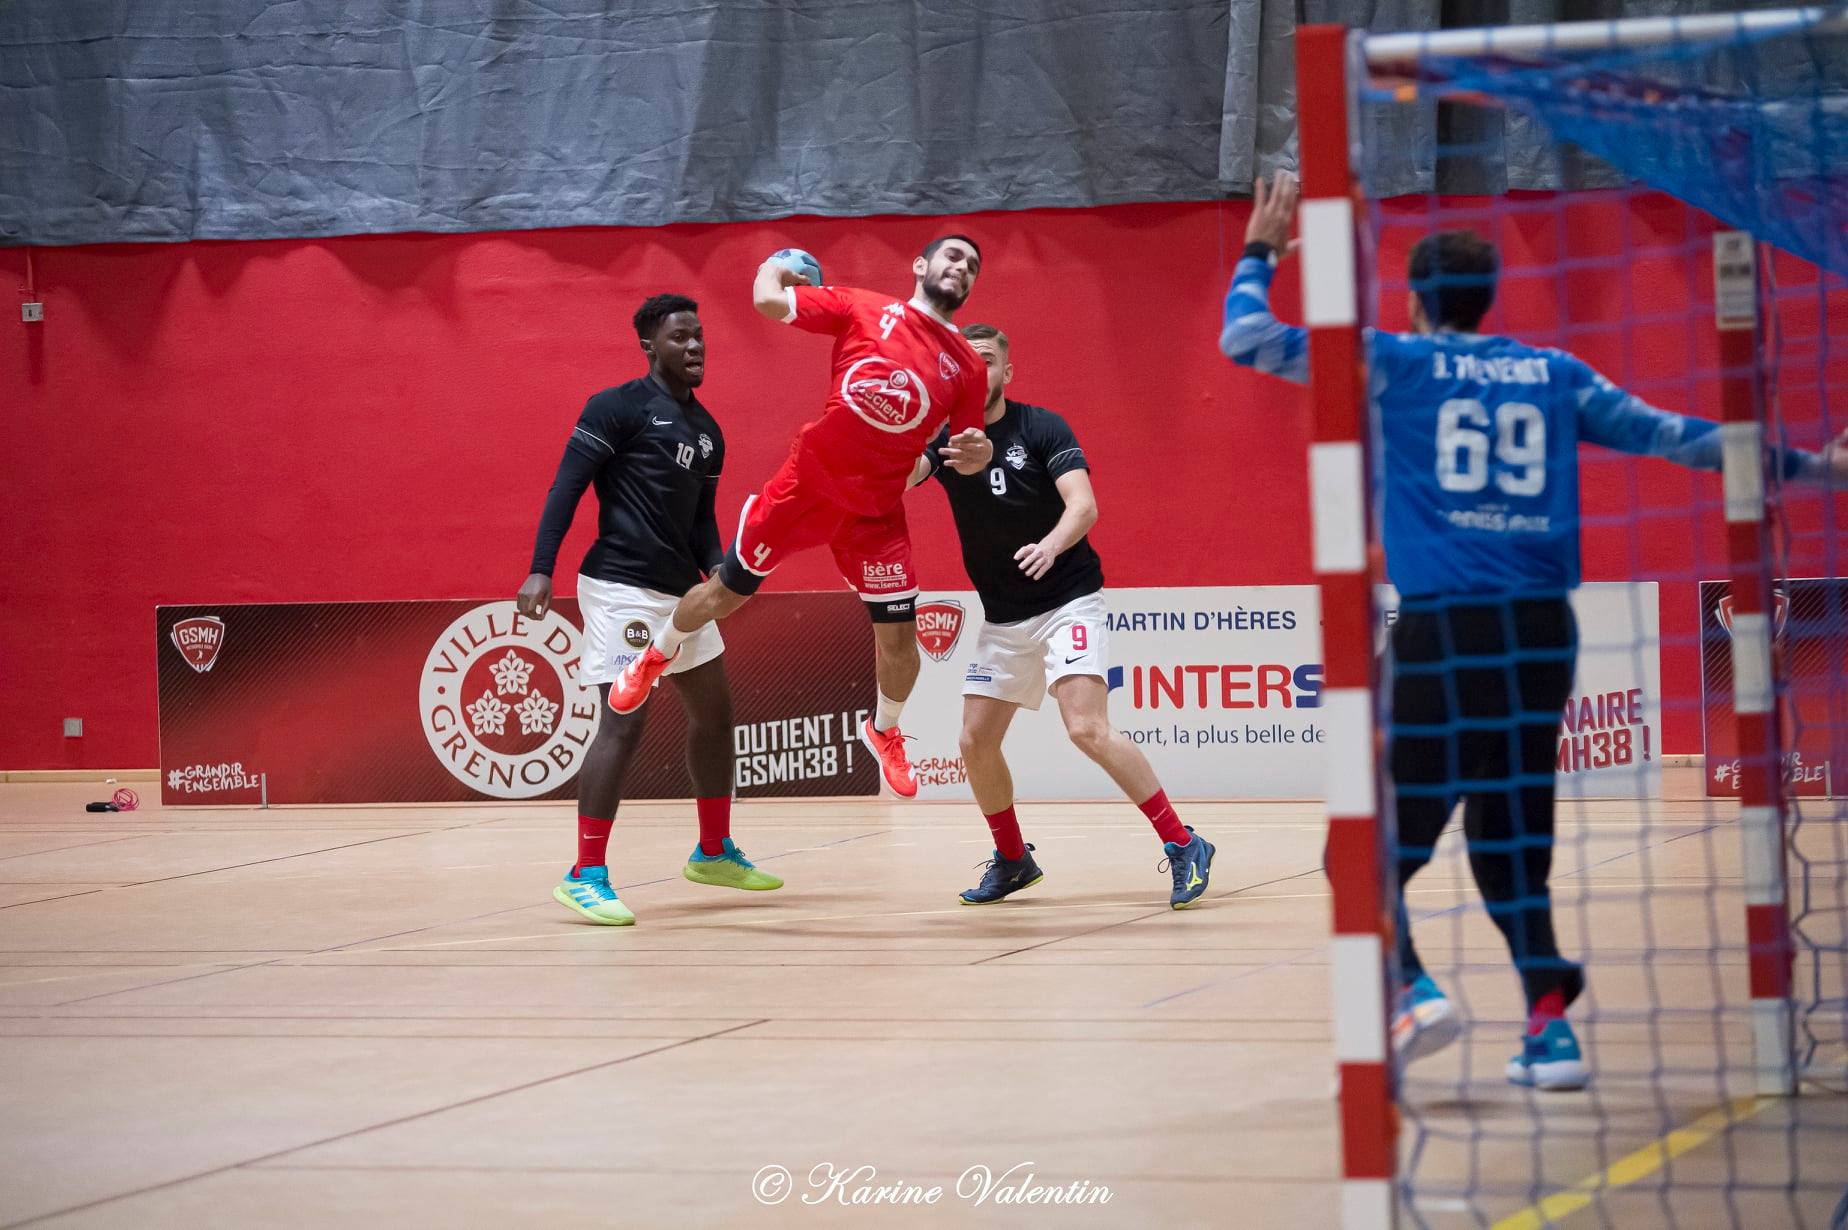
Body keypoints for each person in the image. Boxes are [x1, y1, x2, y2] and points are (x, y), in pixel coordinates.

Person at [1220, 172, 1848, 1090]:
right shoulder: (1557, 374)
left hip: (1443, 635)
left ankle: (1410, 990)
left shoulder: (1395, 361)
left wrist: (1260, 252)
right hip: (1543, 638)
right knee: (1509, 842)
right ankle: (1550, 1030)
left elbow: (1245, 338)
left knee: (1356, 850)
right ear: (1487, 299)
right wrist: (1813, 466)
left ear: (1418, 300)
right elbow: (1674, 435)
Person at [609, 238, 994, 799]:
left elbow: (968, 451)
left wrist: (978, 454)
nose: (962, 268)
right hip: (805, 488)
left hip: (876, 513)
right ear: (921, 265)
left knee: (900, 641)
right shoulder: (863, 307)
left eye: (972, 266)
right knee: (723, 596)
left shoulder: (967, 366)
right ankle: (655, 655)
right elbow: (768, 301)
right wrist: (774, 266)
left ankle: (884, 730)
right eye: (953, 256)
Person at [911, 324, 1216, 909]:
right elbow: (904, 475)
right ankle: (1013, 860)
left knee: (1085, 728)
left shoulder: (1041, 427)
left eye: (987, 360)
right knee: (974, 741)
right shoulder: (945, 441)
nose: (978, 369)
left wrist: (1051, 546)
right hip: (1004, 618)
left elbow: (1083, 506)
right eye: (966, 361)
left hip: (1067, 600)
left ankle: (1184, 843)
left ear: (1006, 372)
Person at [519, 293, 782, 928]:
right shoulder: (616, 407)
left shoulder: (708, 431)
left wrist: (721, 570)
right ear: (649, 346)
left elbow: (700, 521)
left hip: (679, 597)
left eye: (699, 337)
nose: (694, 347)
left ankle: (713, 850)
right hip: (620, 588)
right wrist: (540, 567)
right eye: (679, 338)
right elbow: (566, 486)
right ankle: (585, 874)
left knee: (715, 714)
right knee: (624, 720)